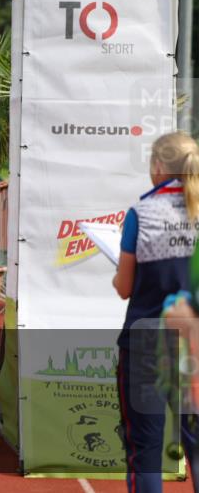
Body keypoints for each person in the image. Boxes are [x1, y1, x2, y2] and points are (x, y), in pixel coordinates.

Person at [113, 131, 199, 492]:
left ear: (160, 167)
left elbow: (124, 287)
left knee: (145, 453)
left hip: (146, 343)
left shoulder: (141, 213)